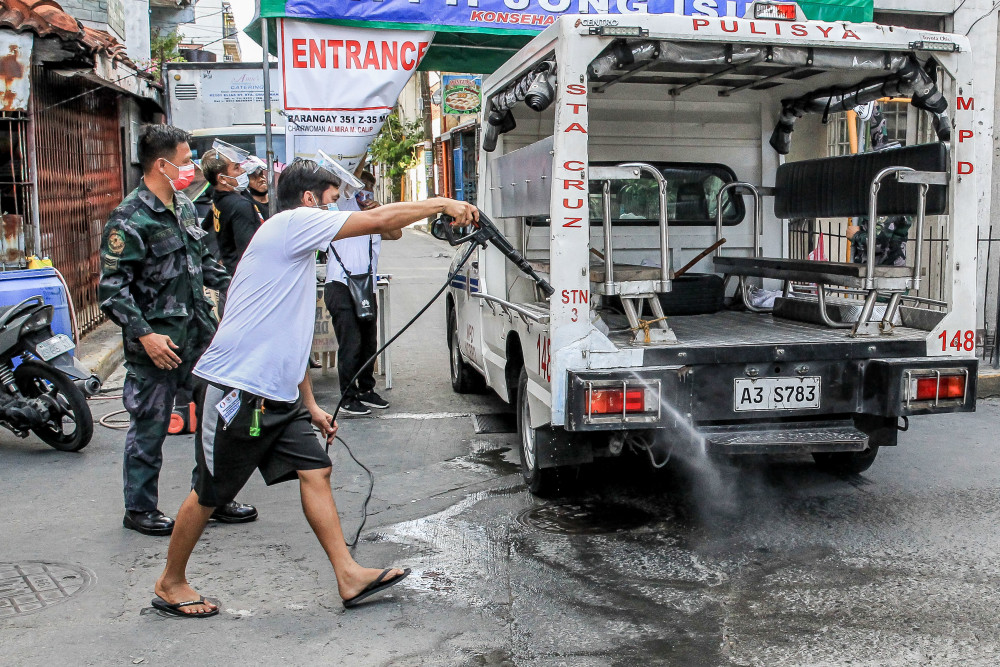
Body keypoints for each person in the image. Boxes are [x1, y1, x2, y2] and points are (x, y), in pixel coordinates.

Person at [150, 159, 477, 616]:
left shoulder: (297, 250)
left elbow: (291, 333)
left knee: (316, 469)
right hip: (236, 389)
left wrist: (309, 405)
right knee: (211, 492)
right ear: (309, 200)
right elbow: (380, 219)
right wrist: (442, 202)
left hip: (279, 397)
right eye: (331, 200)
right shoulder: (290, 225)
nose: (337, 209)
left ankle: (347, 574)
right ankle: (171, 581)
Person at [98, 125, 258, 537]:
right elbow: (112, 290)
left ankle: (212, 497)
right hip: (156, 345)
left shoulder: (186, 207)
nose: (192, 168)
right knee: (150, 428)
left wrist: (246, 288)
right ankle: (139, 509)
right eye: (186, 161)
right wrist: (145, 336)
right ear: (161, 164)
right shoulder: (130, 218)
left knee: (217, 420)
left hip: (199, 339)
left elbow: (205, 264)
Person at [324, 170, 397, 415]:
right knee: (351, 343)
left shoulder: (373, 217)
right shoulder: (341, 211)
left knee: (368, 342)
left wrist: (380, 210)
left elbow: (395, 233)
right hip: (340, 285)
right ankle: (347, 396)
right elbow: (351, 174)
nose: (365, 194)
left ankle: (366, 390)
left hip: (365, 287)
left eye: (369, 190)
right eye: (361, 189)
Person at [200, 149, 263, 300]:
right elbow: (249, 251)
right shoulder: (239, 206)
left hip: (231, 278)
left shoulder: (221, 197)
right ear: (222, 179)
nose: (242, 170)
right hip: (246, 286)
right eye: (236, 167)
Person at [244, 156, 272, 222]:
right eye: (254, 177)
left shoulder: (276, 201)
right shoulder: (249, 207)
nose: (261, 179)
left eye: (261, 174)